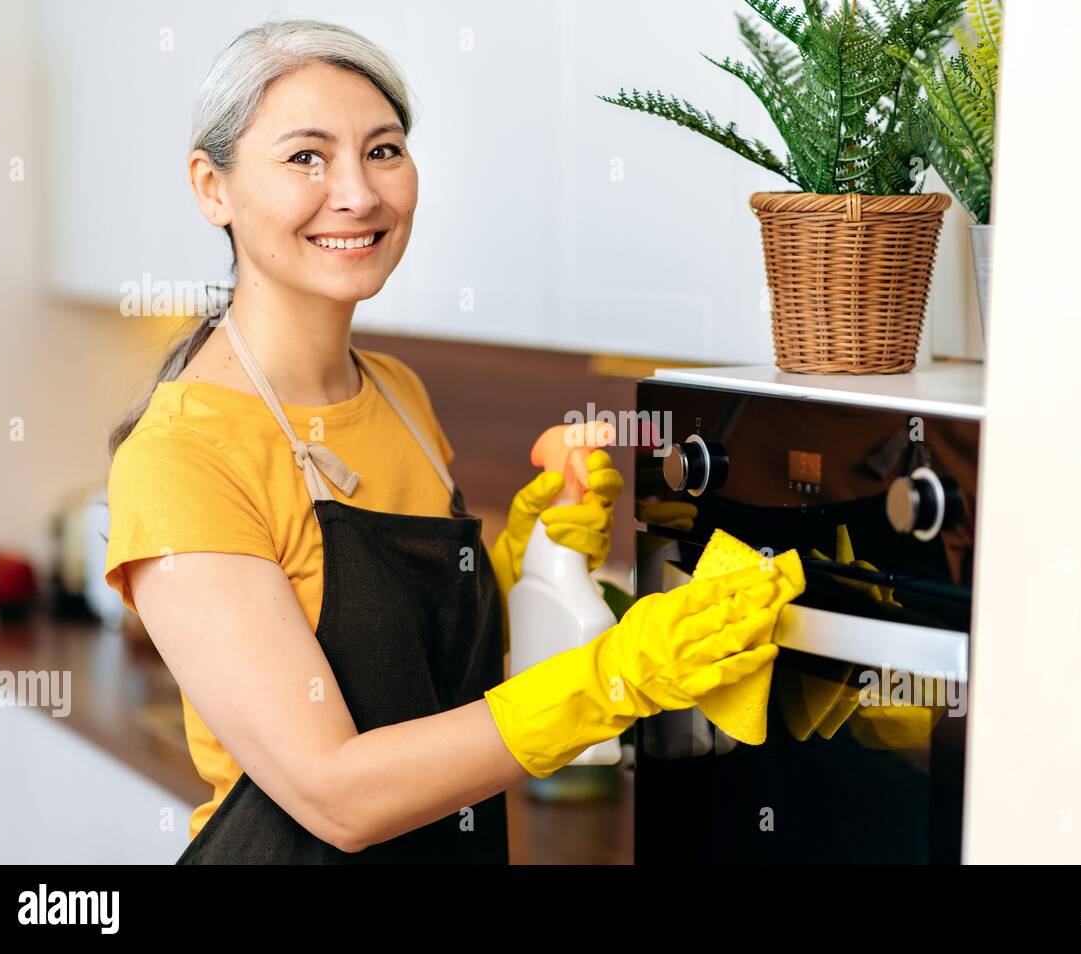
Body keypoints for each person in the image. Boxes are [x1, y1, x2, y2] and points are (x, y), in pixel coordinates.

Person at [103, 18, 789, 864]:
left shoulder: (398, 393)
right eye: (306, 157)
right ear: (213, 187)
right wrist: (617, 676)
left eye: (383, 150)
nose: (356, 193)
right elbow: (339, 795)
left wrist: (533, 560)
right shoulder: (182, 458)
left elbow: (433, 682)